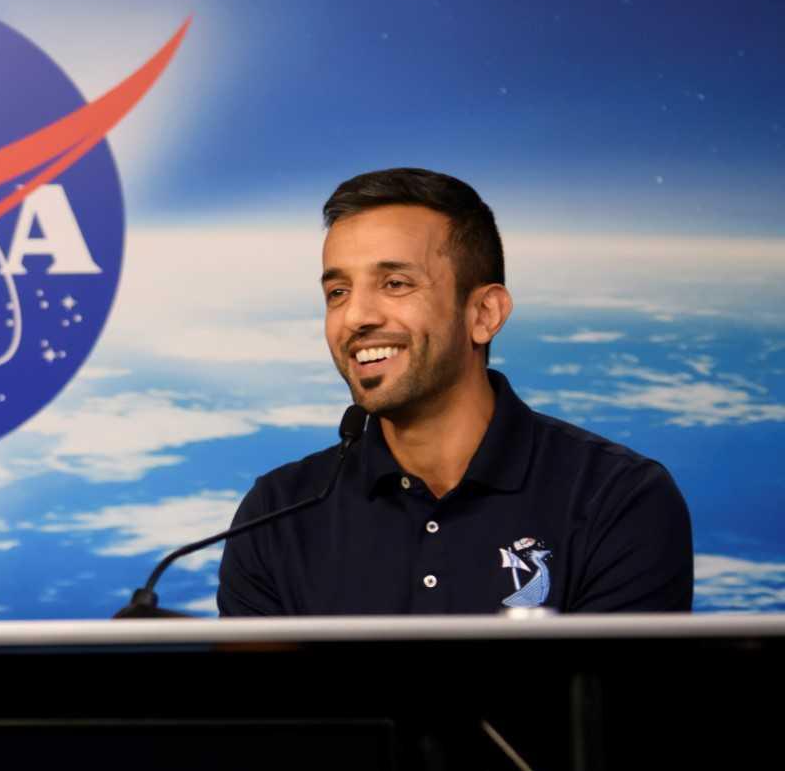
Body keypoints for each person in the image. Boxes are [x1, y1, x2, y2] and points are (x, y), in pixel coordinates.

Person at [217, 167, 691, 616]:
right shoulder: (276, 515)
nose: (356, 316)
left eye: (395, 283)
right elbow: (260, 704)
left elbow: (611, 703)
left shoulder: (617, 500)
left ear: (484, 313)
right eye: (337, 292)